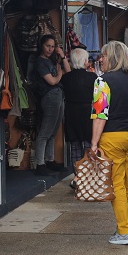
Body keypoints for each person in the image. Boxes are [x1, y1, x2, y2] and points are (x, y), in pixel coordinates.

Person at [91, 41, 128, 245]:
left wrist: (93, 144)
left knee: (116, 185)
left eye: (104, 56)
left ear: (112, 57)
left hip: (113, 136)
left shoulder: (102, 82)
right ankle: (124, 225)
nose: (100, 59)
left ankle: (125, 231)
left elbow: (100, 115)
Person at [28, 33, 71, 176]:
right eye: (48, 46)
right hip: (49, 96)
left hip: (58, 95)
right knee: (45, 131)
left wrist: (62, 56)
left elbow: (68, 71)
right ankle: (40, 163)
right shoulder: (39, 62)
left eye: (53, 47)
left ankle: (50, 160)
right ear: (42, 45)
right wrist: (59, 75)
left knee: (53, 131)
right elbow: (52, 81)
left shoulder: (52, 60)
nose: (50, 49)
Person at [62, 47, 97, 176]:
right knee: (89, 146)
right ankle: (89, 175)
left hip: (71, 113)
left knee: (75, 146)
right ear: (85, 61)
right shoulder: (92, 77)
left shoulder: (66, 78)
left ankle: (78, 176)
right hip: (87, 112)